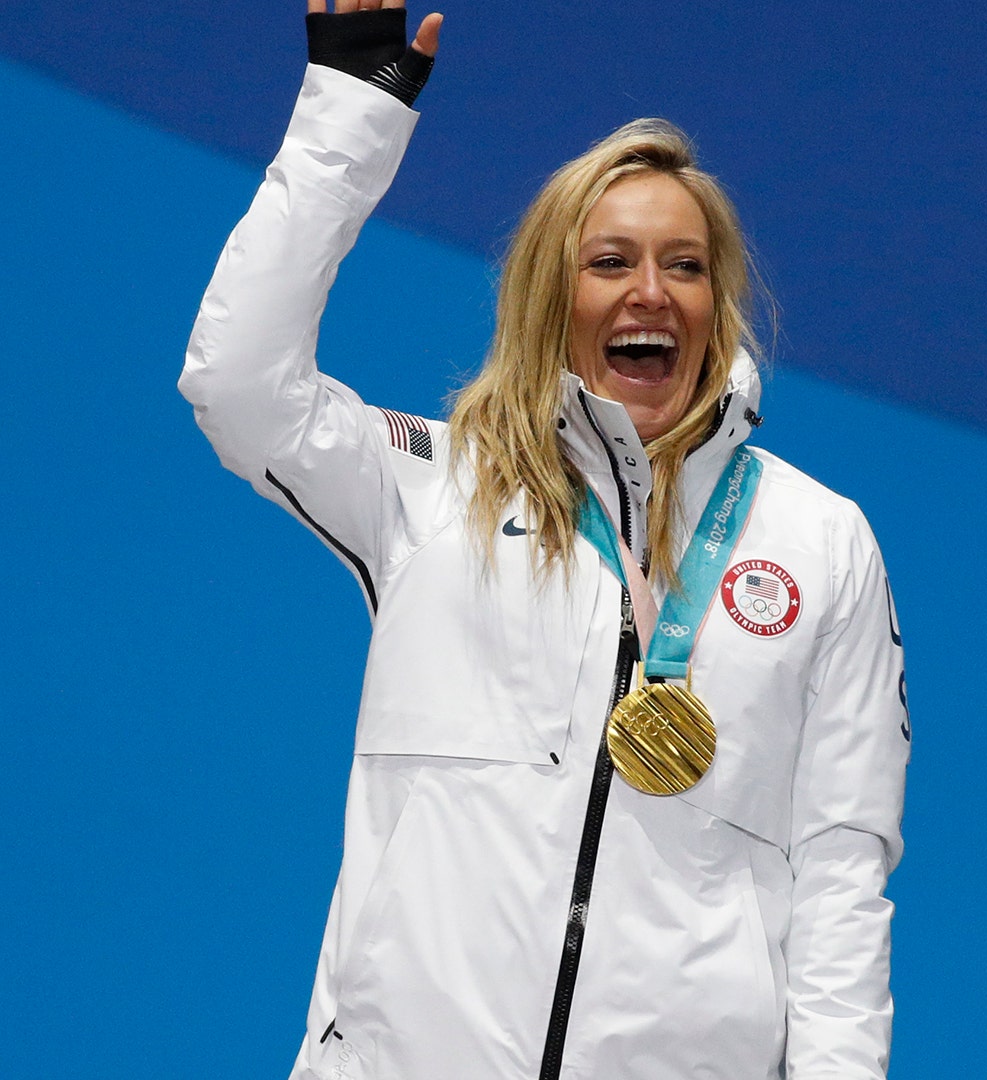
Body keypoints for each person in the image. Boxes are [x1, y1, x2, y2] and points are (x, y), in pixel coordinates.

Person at [179, 4, 910, 1078]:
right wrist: (348, 116)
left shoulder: (821, 541)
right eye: (610, 260)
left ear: (720, 300)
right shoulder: (433, 490)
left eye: (687, 266)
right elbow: (237, 384)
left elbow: (842, 875)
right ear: (549, 298)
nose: (651, 292)